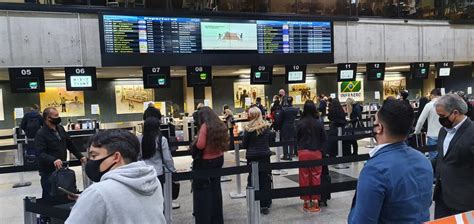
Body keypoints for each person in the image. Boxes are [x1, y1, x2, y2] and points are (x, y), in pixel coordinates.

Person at [348, 99, 433, 223]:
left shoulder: (375, 169)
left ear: (379, 128)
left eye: (376, 121)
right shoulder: (423, 160)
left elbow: (362, 220)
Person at [65, 130, 166, 224]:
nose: (90, 160)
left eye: (94, 155)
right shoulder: (152, 181)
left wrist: (89, 200)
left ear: (116, 157)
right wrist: (87, 201)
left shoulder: (97, 193)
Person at [35, 107, 87, 223]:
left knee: (62, 193)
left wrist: (80, 156)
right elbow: (40, 153)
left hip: (61, 170)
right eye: (56, 116)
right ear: (48, 118)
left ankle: (61, 217)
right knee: (49, 196)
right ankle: (45, 218)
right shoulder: (41, 134)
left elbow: (69, 144)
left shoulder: (60, 129)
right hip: (48, 171)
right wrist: (53, 160)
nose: (58, 118)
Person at [433, 94, 474, 219]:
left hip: (464, 201)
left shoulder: (472, 131)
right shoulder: (443, 131)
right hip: (442, 197)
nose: (440, 120)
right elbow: (442, 158)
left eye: (442, 116)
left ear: (455, 112)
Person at [193, 106, 229, 224]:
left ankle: (206, 217)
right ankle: (217, 218)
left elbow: (200, 145)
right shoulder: (220, 124)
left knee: (204, 191)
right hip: (219, 159)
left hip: (206, 162)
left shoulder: (205, 126)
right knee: (216, 188)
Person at [296, 101, 327, 212]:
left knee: (304, 176)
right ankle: (315, 202)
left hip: (303, 152)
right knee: (316, 175)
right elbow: (323, 138)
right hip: (316, 151)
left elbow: (297, 138)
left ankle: (305, 202)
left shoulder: (300, 122)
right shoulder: (318, 122)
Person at [242, 106, 273, 215]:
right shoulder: (266, 127)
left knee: (252, 179)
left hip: (252, 157)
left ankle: (253, 201)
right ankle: (265, 204)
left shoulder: (248, 129)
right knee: (265, 179)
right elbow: (270, 141)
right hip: (265, 156)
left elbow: (244, 144)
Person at [140, 117, 176, 185]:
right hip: (158, 172)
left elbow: (137, 156)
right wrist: (172, 170)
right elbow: (167, 158)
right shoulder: (161, 140)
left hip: (143, 173)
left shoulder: (140, 139)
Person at [414, 88, 443, 160]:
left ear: (432, 95)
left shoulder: (429, 105)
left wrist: (417, 131)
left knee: (433, 158)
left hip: (432, 135)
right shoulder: (446, 105)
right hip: (444, 134)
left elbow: (421, 120)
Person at [277, 96, 299, 160]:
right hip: (292, 125)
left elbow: (280, 119)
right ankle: (291, 155)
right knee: (292, 140)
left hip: (285, 126)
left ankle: (285, 155)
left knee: (285, 141)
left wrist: (279, 127)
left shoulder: (283, 109)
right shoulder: (295, 109)